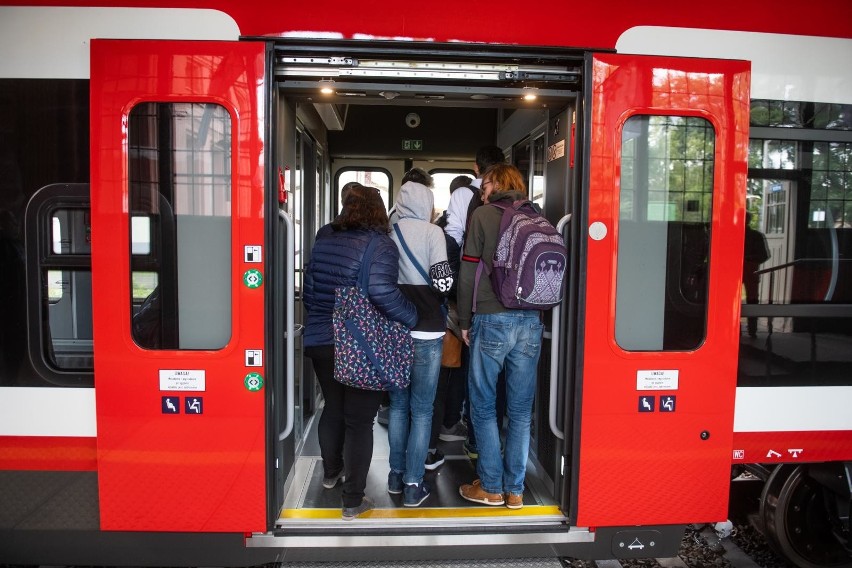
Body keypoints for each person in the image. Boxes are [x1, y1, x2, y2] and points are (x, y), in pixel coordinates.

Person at [303, 184, 417, 521]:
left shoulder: (324, 237)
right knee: (359, 422)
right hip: (360, 343)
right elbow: (381, 293)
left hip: (321, 339)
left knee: (332, 409)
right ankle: (352, 500)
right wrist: (411, 315)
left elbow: (310, 292)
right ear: (379, 210)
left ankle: (330, 473)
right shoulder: (380, 244)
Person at [457, 163, 545, 510]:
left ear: (497, 184)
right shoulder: (538, 216)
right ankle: (516, 491)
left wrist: (464, 319)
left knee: (483, 405)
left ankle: (492, 487)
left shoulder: (483, 215)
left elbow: (467, 273)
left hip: (493, 317)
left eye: (485, 183)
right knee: (521, 411)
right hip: (531, 321)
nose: (482, 190)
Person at [387, 168, 452, 507]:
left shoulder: (389, 231)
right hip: (427, 329)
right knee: (422, 409)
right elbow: (443, 284)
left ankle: (395, 477)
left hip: (395, 328)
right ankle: (414, 483)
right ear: (427, 202)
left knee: (398, 406)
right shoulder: (432, 233)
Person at [743, 211, 770, 337]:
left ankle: (736, 329)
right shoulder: (757, 236)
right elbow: (764, 255)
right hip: (751, 271)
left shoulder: (730, 235)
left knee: (733, 302)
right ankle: (752, 329)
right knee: (753, 300)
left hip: (742, 271)